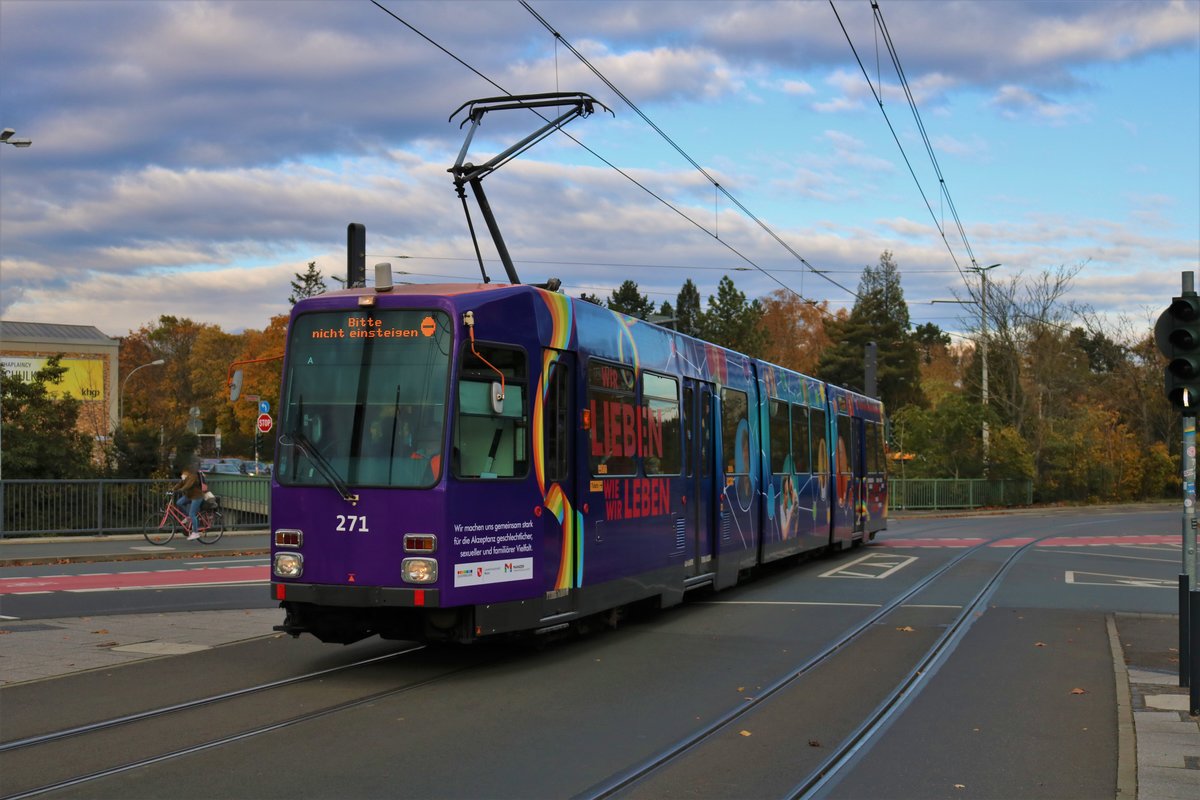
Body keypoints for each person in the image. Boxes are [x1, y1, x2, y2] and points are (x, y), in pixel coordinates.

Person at [171, 463, 204, 540]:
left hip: (197, 496)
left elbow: (188, 485)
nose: (183, 473)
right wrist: (172, 489)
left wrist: (181, 490)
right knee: (179, 503)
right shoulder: (187, 476)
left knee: (192, 513)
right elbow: (181, 483)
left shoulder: (194, 476)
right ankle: (188, 517)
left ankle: (195, 533)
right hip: (189, 496)